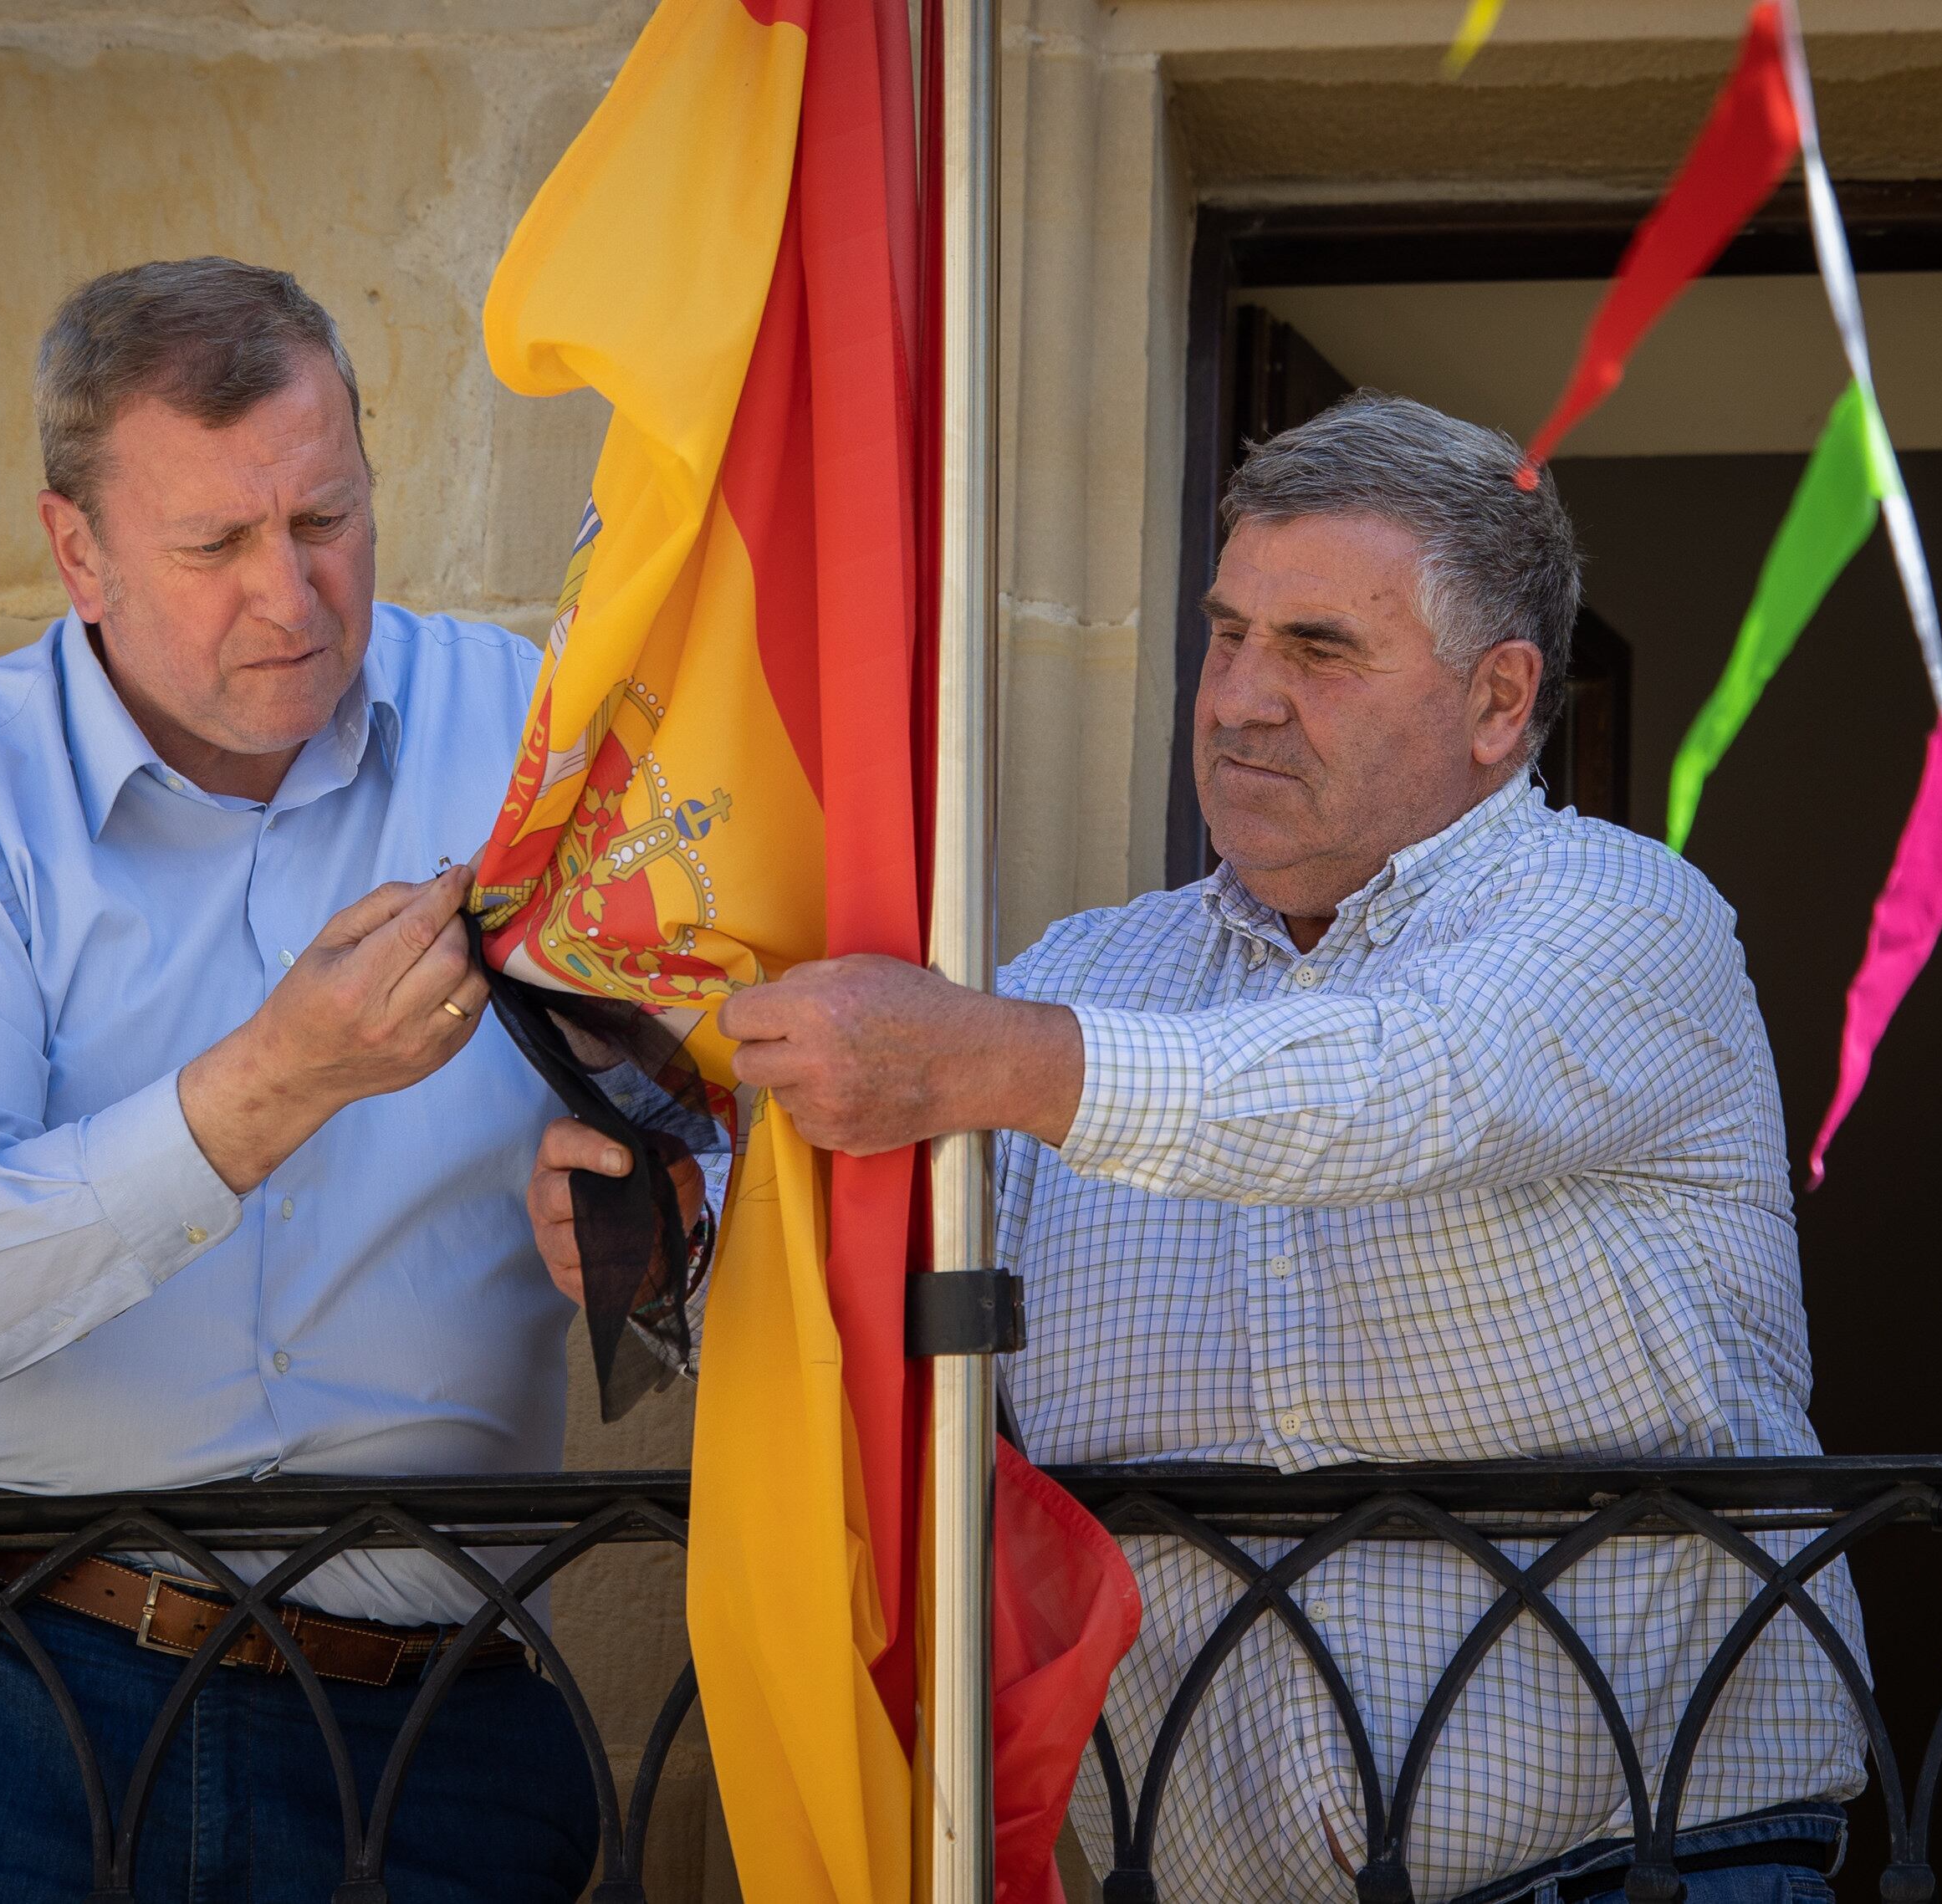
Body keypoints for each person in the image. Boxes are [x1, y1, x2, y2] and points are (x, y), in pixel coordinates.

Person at [538, 393, 1869, 1901]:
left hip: (1639, 1873)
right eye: (1227, 634)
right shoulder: (1085, 978)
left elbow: (1391, 1085)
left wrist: (981, 1054)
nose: (1237, 696)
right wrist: (679, 1253)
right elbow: (894, 1335)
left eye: (1317, 650)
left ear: (1501, 702)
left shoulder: (1629, 918)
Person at [0, 258, 611, 1904]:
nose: (291, 596)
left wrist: (659, 1187)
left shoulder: (533, 740)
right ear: (78, 551)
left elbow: (715, 1091)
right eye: (214, 545)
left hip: (427, 1737)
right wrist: (277, 1078)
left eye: (325, 519)